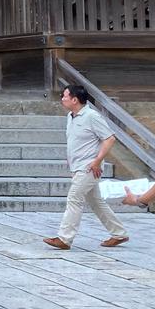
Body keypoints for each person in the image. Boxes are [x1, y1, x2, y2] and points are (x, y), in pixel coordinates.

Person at [43, 85, 130, 250]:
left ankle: (64, 238)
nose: (62, 98)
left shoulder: (92, 116)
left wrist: (97, 161)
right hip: (78, 166)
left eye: (65, 96)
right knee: (96, 202)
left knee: (74, 198)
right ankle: (119, 233)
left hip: (89, 167)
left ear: (75, 99)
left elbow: (110, 139)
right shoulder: (71, 116)